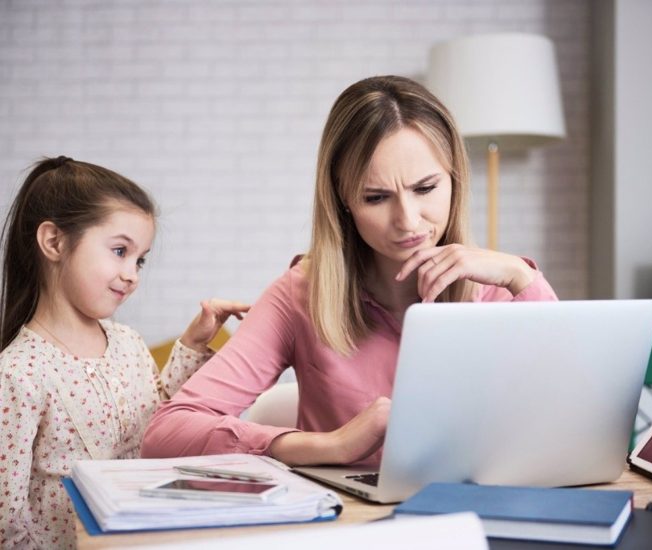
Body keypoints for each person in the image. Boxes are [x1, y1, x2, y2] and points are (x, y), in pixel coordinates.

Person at [141, 75, 558, 468]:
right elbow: (167, 433)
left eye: (426, 188)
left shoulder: (502, 288)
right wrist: (330, 445)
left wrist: (520, 276)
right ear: (343, 200)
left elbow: (574, 410)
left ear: (455, 180)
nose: (408, 220)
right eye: (376, 197)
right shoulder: (300, 295)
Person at [0, 156, 249, 549]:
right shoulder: (18, 374)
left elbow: (150, 423)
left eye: (140, 260)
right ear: (54, 242)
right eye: (119, 251)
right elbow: (7, 520)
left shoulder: (128, 343)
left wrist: (192, 344)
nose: (132, 274)